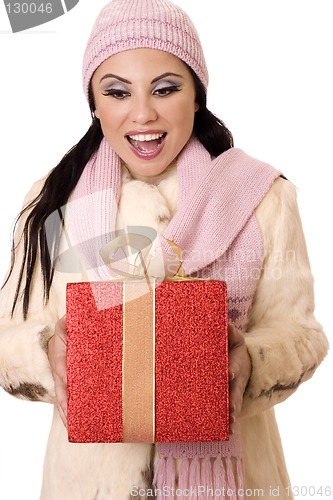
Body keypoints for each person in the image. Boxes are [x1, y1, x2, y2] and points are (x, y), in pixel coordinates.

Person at [0, 0, 328, 498]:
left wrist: (251, 363)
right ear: (93, 102)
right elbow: (7, 332)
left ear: (197, 96)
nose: (142, 114)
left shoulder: (263, 197)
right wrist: (47, 355)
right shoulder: (53, 202)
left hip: (238, 484)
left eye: (166, 89)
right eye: (117, 92)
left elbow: (301, 334)